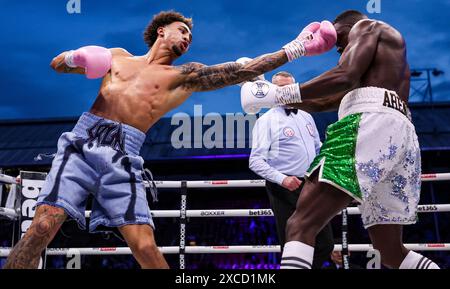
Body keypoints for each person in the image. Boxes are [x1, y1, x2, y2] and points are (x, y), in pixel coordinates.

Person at [4, 11, 337, 269]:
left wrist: (295, 48)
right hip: (82, 144)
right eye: (183, 30)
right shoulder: (117, 56)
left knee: (146, 248)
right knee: (42, 226)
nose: (188, 37)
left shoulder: (183, 76)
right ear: (162, 30)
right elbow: (57, 65)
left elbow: (239, 73)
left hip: (124, 156)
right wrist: (76, 58)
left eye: (191, 35)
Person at [240, 10, 439, 269]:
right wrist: (272, 96)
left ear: (344, 26)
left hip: (368, 124)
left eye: (338, 39)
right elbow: (326, 100)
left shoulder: (366, 26)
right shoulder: (377, 70)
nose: (338, 48)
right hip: (400, 136)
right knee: (390, 251)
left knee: (300, 223)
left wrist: (278, 93)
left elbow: (343, 74)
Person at [249, 71, 333, 268]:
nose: (286, 92)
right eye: (281, 88)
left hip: (313, 186)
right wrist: (282, 179)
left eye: (289, 88)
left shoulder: (306, 116)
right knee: (292, 245)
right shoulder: (266, 121)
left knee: (325, 244)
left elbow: (317, 148)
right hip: (285, 189)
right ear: (273, 91)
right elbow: (255, 161)